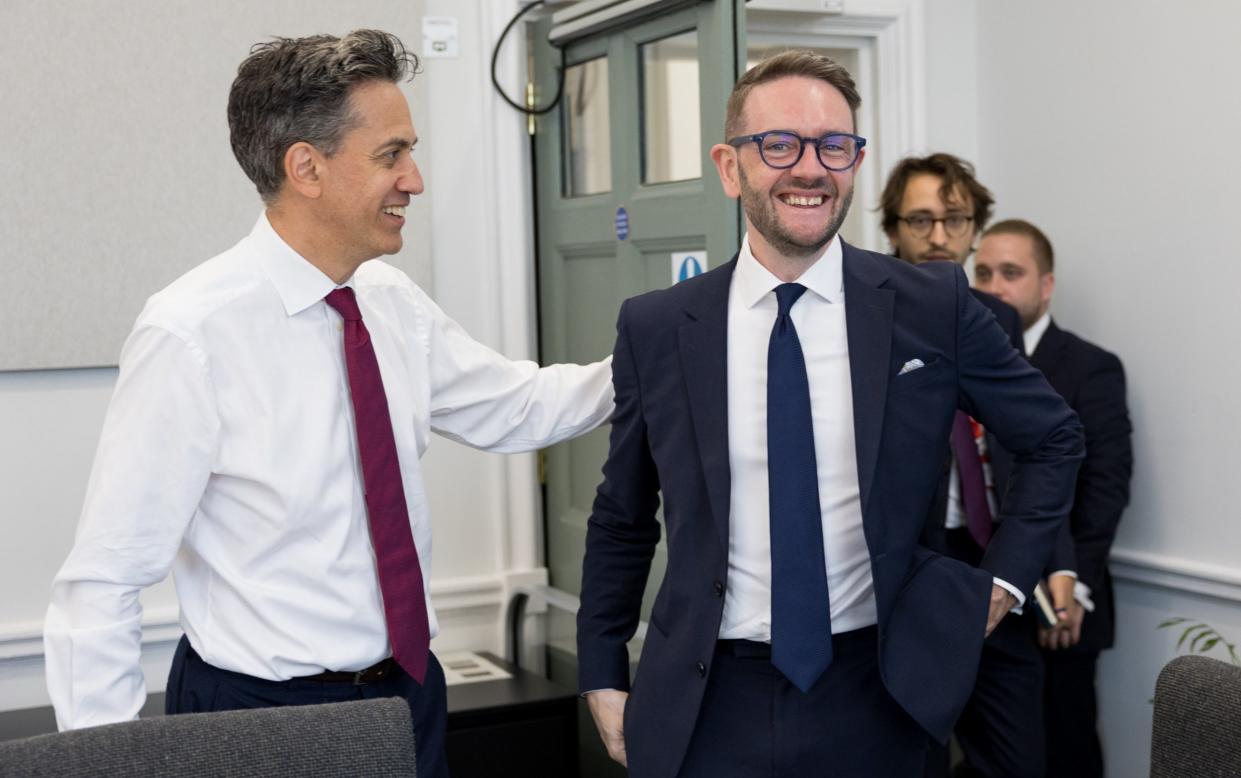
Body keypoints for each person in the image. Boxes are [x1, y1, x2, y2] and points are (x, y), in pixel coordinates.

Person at [42, 30, 613, 778]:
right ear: (305, 167)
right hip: (261, 719)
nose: (415, 178)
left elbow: (519, 406)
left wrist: (663, 356)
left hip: (408, 695)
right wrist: (105, 767)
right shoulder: (190, 333)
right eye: (390, 155)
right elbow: (103, 582)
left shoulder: (389, 302)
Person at [575, 50, 1083, 778]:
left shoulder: (929, 307)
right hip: (705, 697)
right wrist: (600, 668)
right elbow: (621, 514)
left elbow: (1053, 437)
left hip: (879, 691)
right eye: (778, 144)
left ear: (853, 161)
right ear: (729, 166)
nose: (809, 168)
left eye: (833, 146)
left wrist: (999, 585)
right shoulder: (659, 327)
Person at [880, 153, 1071, 778]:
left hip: (996, 565)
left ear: (974, 228)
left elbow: (1033, 443)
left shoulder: (997, 319)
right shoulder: (867, 316)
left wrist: (1053, 559)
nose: (939, 236)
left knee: (1018, 761)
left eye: (955, 219)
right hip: (909, 575)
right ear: (892, 229)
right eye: (921, 220)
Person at [975, 219, 1133, 778]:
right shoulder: (967, 361)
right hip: (991, 592)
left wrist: (1074, 589)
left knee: (1066, 751)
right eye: (984, 272)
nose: (994, 287)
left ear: (1046, 285)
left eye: (1011, 274)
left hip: (1064, 602)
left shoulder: (1090, 366)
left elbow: (1105, 486)